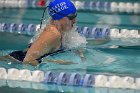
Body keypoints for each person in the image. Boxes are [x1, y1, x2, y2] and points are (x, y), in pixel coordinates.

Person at [0, 0, 87, 66]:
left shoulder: (61, 30)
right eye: (71, 17)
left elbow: (72, 45)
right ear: (58, 17)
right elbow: (28, 60)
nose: (75, 21)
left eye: (75, 16)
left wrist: (79, 53)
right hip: (15, 61)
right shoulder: (53, 33)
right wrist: (58, 62)